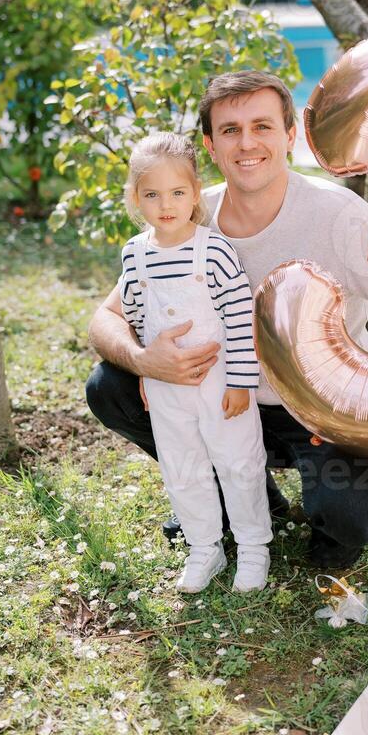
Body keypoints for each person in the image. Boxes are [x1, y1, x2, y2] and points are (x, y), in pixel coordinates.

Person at [86, 71, 368, 570]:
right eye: (230, 130)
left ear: (289, 136)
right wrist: (142, 359)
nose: (247, 143)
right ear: (210, 146)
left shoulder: (339, 216)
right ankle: (237, 492)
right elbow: (105, 319)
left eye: (262, 126)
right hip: (222, 403)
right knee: (108, 385)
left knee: (351, 515)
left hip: (323, 414)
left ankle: (329, 521)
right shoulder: (190, 214)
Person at [119, 132, 272, 593]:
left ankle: (252, 547)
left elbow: (242, 317)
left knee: (238, 462)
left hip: (221, 380)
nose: (166, 204)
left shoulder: (214, 250)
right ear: (136, 198)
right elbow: (135, 315)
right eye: (152, 194)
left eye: (177, 192)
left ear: (193, 193)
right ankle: (205, 547)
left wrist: (242, 381)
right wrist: (147, 367)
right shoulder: (135, 254)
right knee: (182, 467)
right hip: (168, 387)